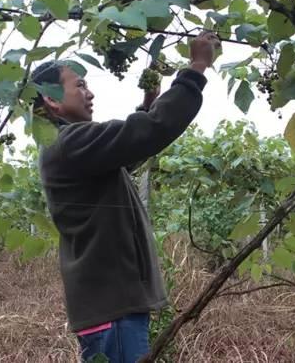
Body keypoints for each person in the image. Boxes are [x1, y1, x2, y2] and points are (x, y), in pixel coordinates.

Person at [33, 31, 221, 363]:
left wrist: (148, 103)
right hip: (113, 312)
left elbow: (125, 153)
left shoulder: (68, 146)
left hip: (111, 309)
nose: (89, 93)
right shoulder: (69, 143)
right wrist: (197, 67)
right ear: (50, 99)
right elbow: (147, 132)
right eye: (79, 85)